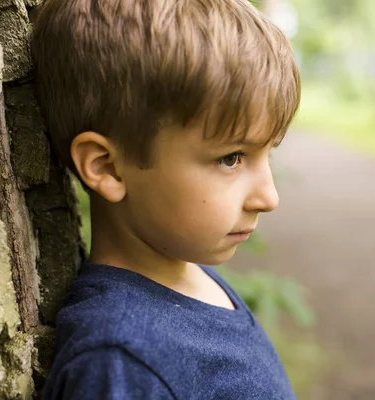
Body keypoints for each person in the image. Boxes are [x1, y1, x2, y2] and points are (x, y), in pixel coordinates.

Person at [30, 0, 300, 398]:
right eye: (231, 158)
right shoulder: (119, 364)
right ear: (107, 168)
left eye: (268, 153)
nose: (269, 197)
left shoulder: (191, 276)